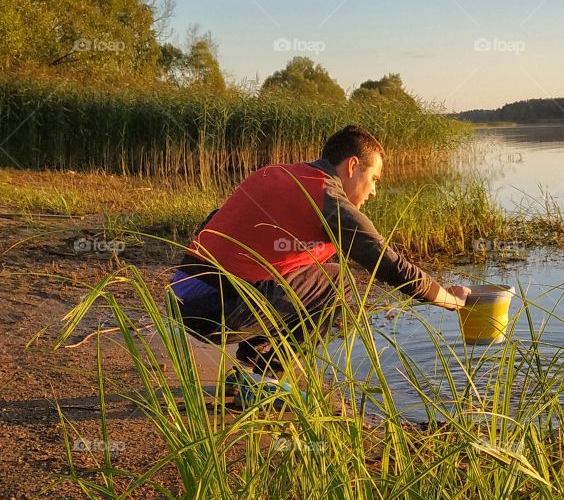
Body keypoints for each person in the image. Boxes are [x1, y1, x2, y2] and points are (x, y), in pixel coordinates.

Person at [167, 125, 470, 403]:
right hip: (216, 303)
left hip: (183, 295)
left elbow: (215, 220)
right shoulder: (325, 194)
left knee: (309, 272)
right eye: (373, 179)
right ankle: (263, 380)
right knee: (338, 283)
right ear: (352, 166)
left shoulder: (277, 173)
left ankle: (248, 370)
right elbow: (390, 265)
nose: (374, 191)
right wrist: (448, 299)